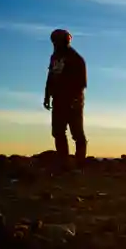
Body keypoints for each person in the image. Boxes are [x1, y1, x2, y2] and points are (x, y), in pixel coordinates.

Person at [43, 29, 87, 167]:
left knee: (77, 132)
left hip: (73, 101)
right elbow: (51, 76)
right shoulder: (55, 57)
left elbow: (81, 83)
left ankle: (80, 161)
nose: (55, 44)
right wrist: (47, 95)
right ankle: (63, 161)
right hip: (58, 99)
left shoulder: (76, 59)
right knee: (58, 131)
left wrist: (75, 100)